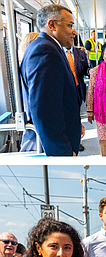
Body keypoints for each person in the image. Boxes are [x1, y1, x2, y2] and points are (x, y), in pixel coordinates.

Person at [20, 4, 82, 156]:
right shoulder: (45, 51)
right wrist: (63, 152)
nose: (73, 31)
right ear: (52, 24)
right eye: (70, 25)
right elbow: (45, 110)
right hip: (61, 148)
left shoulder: (46, 47)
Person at [64, 28, 90, 152]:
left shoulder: (80, 53)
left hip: (78, 87)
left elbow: (85, 69)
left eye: (73, 36)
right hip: (64, 90)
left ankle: (77, 140)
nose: (72, 38)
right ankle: (68, 140)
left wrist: (91, 72)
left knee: (77, 115)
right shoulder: (57, 53)